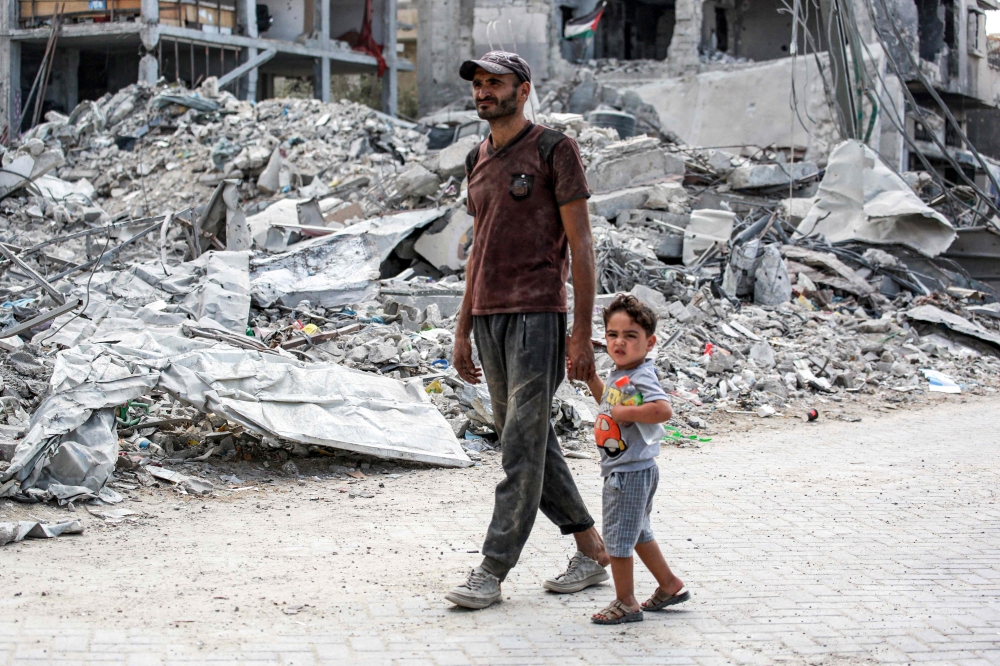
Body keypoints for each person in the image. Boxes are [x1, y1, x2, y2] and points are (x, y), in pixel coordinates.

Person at [445, 51, 610, 610]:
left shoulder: (553, 149)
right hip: (487, 317)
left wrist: (581, 333)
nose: (484, 92)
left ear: (524, 89)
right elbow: (475, 251)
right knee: (531, 438)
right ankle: (592, 549)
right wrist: (462, 328)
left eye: (496, 83)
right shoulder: (476, 157)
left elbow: (582, 245)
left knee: (519, 444)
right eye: (480, 84)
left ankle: (492, 569)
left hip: (538, 315)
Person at [582, 294, 689, 625]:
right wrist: (590, 379)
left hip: (627, 473)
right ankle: (670, 585)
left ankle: (626, 602)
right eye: (613, 335)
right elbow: (608, 405)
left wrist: (627, 411)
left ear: (649, 342)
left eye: (631, 336)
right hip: (634, 468)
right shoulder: (621, 372)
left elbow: (662, 410)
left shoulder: (641, 374)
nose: (619, 342)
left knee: (616, 539)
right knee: (639, 533)